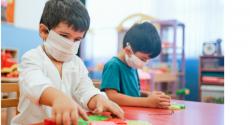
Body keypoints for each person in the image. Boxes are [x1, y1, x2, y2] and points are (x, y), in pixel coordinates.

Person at [11, 0, 124, 125]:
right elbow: (35, 84)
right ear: (44, 31)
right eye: (64, 36)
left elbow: (85, 90)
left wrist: (98, 99)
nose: (71, 44)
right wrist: (58, 98)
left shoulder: (77, 64)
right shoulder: (31, 58)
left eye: (77, 39)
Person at [100, 22, 171, 108]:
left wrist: (149, 95)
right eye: (143, 59)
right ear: (128, 50)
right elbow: (111, 97)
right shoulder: (113, 65)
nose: (145, 63)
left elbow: (133, 94)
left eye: (147, 60)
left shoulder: (133, 66)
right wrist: (147, 102)